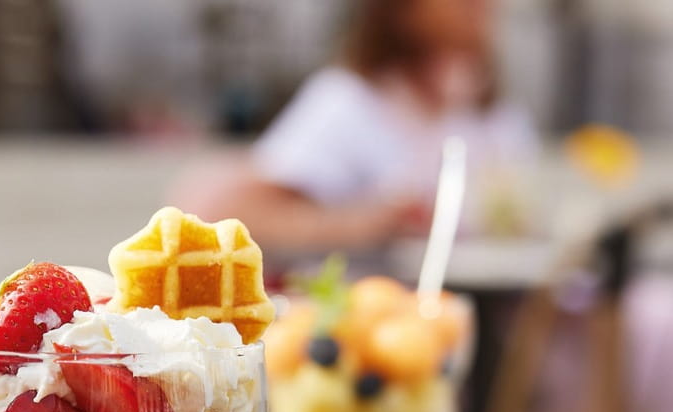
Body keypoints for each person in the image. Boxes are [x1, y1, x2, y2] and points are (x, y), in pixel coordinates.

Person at [176, 0, 536, 256]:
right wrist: (367, 224)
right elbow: (220, 210)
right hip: (361, 323)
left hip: (479, 320)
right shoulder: (348, 102)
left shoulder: (495, 117)